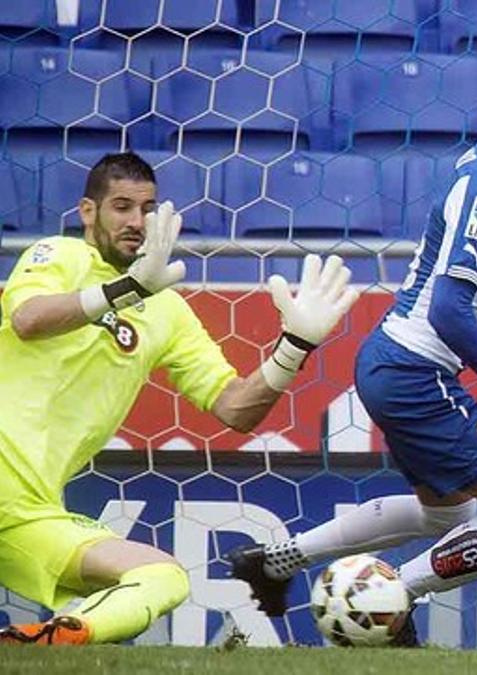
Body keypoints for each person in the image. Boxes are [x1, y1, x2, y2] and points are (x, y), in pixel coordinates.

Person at [228, 38, 477, 645]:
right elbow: (447, 306)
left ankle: (274, 561)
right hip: (416, 371)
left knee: (447, 514)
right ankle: (392, 597)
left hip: (394, 362)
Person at [0, 153, 359, 645]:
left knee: (164, 575)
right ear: (88, 211)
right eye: (121, 206)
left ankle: (53, 639)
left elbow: (234, 408)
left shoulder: (166, 308)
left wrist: (293, 349)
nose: (136, 222)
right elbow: (29, 319)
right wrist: (124, 290)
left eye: (147, 209)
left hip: (29, 512)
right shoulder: (58, 256)